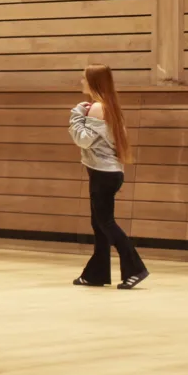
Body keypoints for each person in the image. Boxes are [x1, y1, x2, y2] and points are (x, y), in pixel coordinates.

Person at [69, 63, 149, 290]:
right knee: (99, 224)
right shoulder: (109, 107)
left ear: (93, 82)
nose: (81, 82)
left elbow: (82, 140)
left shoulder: (97, 108)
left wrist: (76, 115)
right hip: (106, 172)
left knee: (106, 223)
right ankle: (96, 273)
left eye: (84, 78)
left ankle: (135, 268)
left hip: (103, 174)